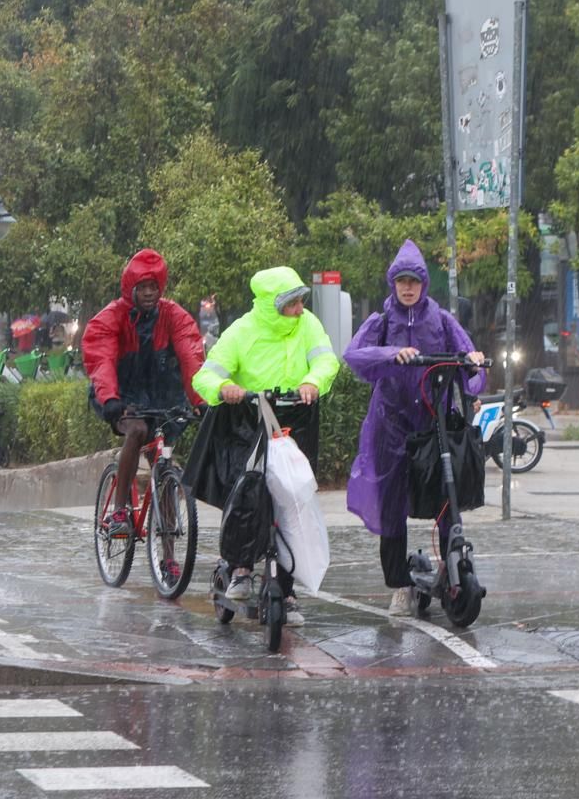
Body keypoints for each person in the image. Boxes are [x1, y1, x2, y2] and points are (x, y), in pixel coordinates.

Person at [187, 266, 340, 626]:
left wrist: (313, 381)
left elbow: (325, 360)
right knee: (249, 494)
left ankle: (287, 588)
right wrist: (224, 388)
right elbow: (206, 374)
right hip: (249, 421)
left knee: (293, 500)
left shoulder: (308, 325)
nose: (300, 309)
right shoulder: (242, 331)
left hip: (295, 419)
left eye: (301, 302)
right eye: (292, 304)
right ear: (274, 305)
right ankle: (240, 568)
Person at [342, 240, 485, 616]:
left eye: (414, 281)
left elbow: (469, 361)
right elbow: (355, 355)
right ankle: (399, 586)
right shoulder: (381, 321)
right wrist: (392, 354)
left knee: (446, 497)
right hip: (390, 426)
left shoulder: (442, 320)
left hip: (434, 424)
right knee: (391, 506)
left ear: (423, 284)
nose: (408, 288)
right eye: (401, 281)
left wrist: (472, 362)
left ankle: (451, 569)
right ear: (393, 283)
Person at [83, 249, 206, 538]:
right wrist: (110, 399)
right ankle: (119, 511)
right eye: (143, 287)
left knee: (163, 463)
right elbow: (101, 359)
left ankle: (169, 555)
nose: (149, 293)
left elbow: (191, 358)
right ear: (131, 289)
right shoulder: (111, 317)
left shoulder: (174, 315)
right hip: (121, 394)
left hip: (162, 396)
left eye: (154, 286)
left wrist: (201, 400)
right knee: (137, 430)